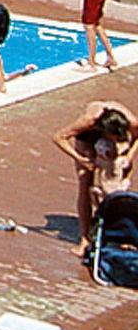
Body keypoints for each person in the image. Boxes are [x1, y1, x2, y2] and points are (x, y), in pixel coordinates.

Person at [55, 102, 136, 252]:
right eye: (114, 138)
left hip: (109, 134)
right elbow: (58, 137)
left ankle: (124, 234)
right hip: (87, 139)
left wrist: (130, 156)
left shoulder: (131, 121)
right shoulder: (88, 121)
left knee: (119, 185)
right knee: (85, 183)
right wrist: (80, 159)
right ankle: (85, 238)